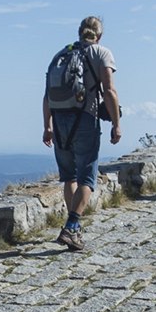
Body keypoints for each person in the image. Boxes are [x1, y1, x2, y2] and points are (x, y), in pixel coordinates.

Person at [40, 16, 123, 250]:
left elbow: (47, 96)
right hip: (85, 118)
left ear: (79, 32)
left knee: (70, 177)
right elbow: (109, 91)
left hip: (59, 120)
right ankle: (71, 226)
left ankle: (73, 228)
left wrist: (47, 126)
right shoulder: (102, 53)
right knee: (87, 178)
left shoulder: (61, 54)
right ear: (100, 35)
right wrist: (116, 124)